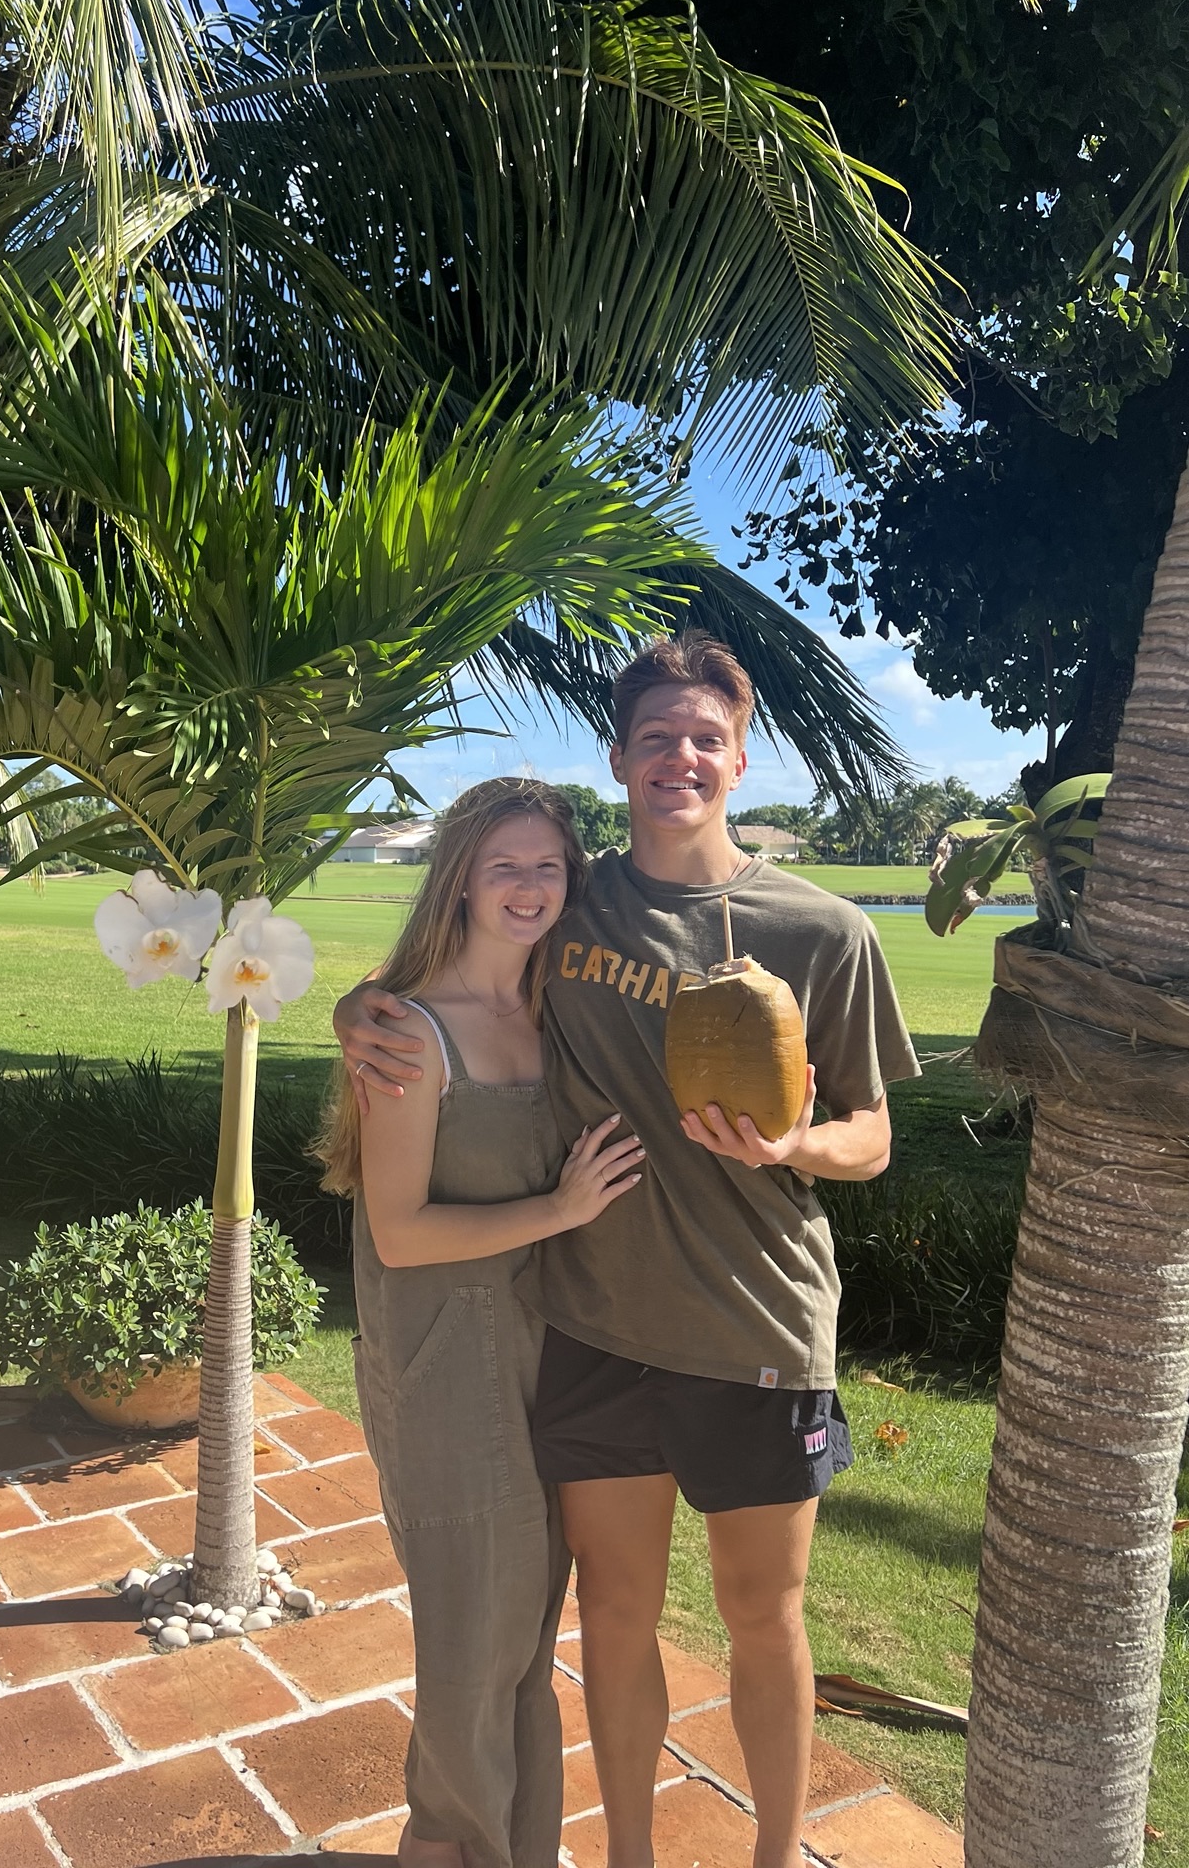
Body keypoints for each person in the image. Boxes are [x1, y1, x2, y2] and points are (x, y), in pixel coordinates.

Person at [336, 634, 918, 1868]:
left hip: (755, 1325)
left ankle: (770, 1854)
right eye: (656, 736)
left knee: (763, 1616)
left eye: (705, 736)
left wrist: (794, 1143)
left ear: (742, 756)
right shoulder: (572, 896)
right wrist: (362, 1008)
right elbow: (460, 948)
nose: (680, 757)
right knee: (612, 1613)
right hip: (594, 1323)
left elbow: (871, 1135)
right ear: (618, 755)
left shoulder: (820, 929)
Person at [317, 778, 645, 1868]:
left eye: (548, 865)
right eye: (505, 863)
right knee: (471, 1652)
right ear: (460, 873)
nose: (529, 885)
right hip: (446, 1363)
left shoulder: (551, 1004)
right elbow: (400, 1231)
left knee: (520, 1648)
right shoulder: (409, 1031)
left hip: (544, 1352)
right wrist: (560, 1207)